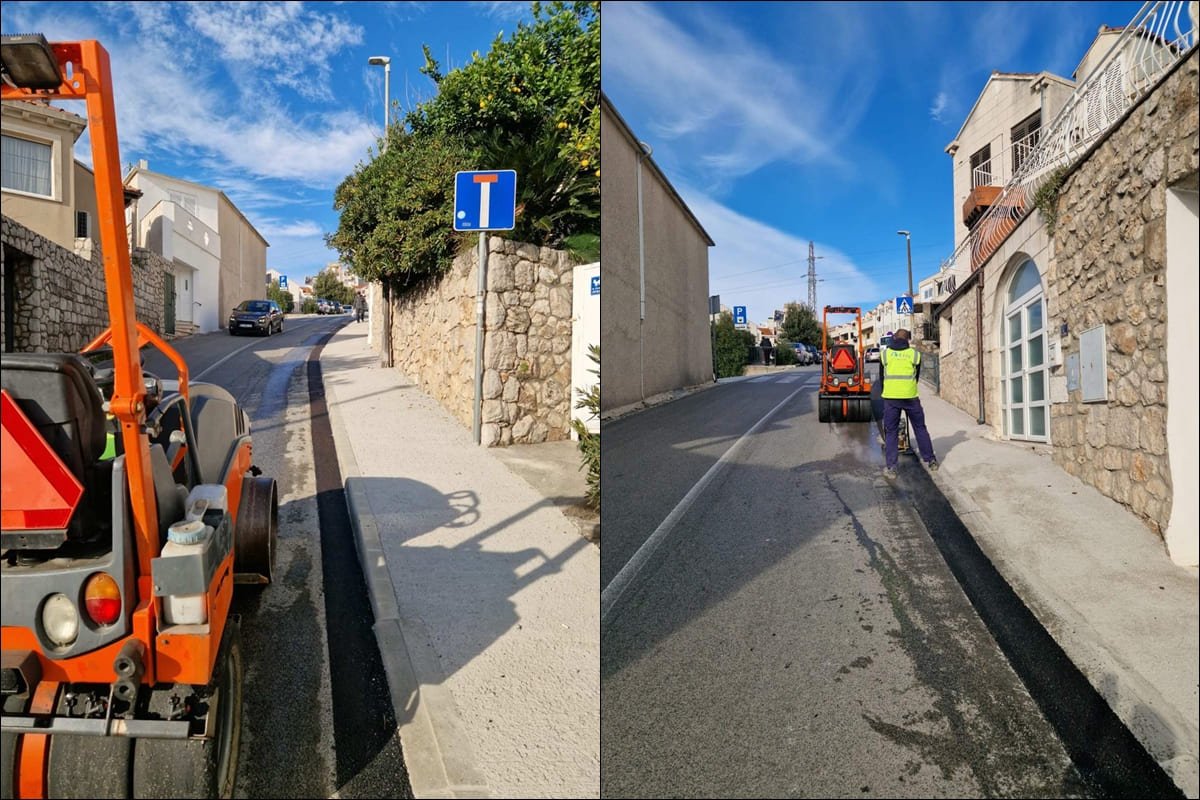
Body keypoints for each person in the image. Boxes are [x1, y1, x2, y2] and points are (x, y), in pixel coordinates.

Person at [879, 328, 937, 478]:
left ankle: (892, 467)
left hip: (891, 399)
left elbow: (881, 378)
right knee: (920, 428)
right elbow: (916, 377)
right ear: (907, 340)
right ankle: (931, 460)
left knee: (891, 431)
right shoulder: (915, 354)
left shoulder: (885, 354)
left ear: (894, 339)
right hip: (911, 397)